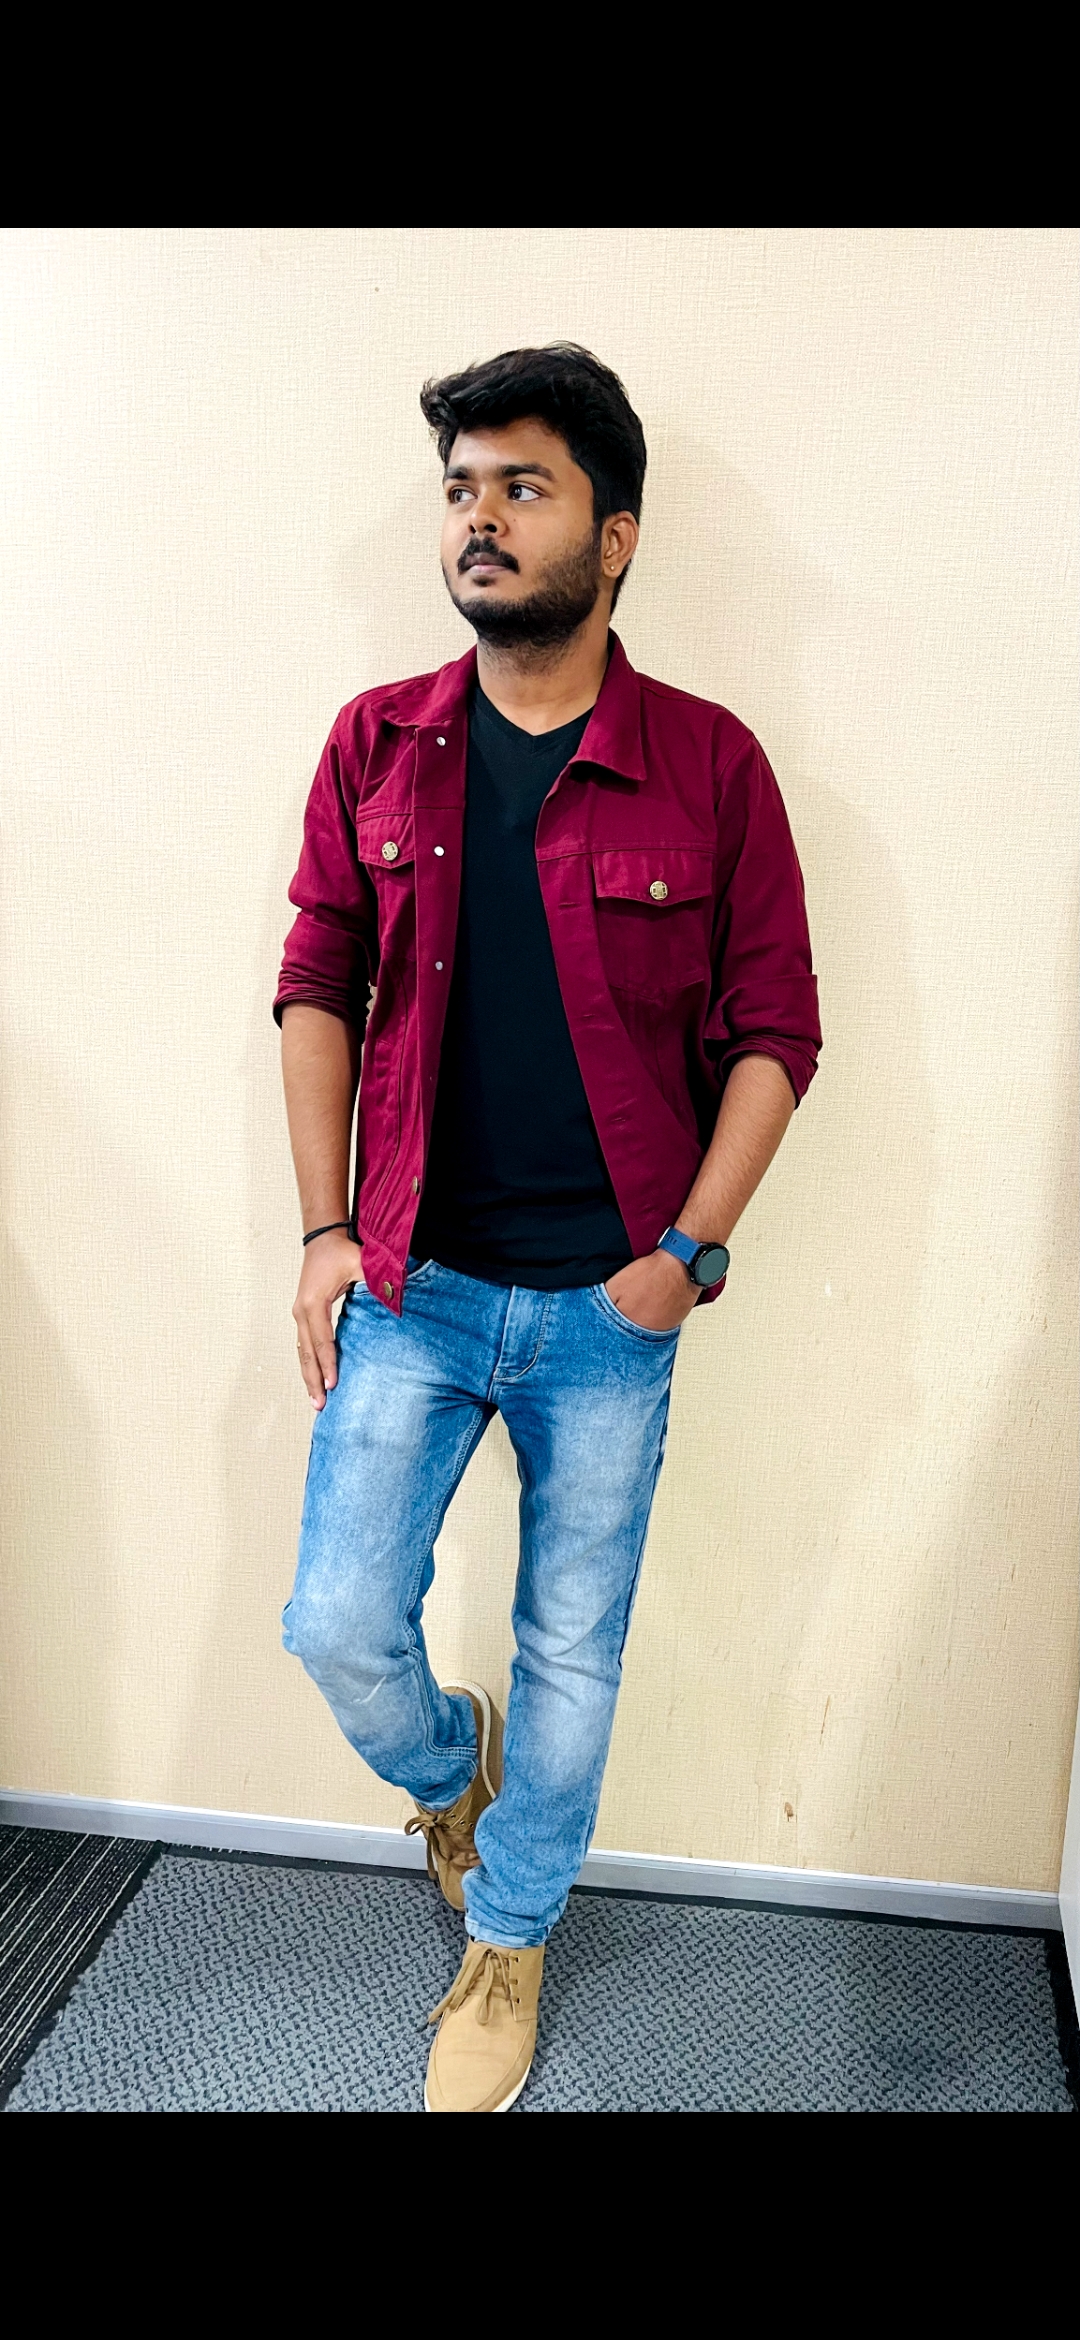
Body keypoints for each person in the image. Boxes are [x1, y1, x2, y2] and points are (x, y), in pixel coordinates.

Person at [274, 344, 821, 2112]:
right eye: (462, 488)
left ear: (616, 533)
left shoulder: (711, 765)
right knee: (338, 1623)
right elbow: (318, 984)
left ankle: (507, 1941)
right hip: (414, 1285)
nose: (481, 519)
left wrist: (690, 1258)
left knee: (571, 1653)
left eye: (525, 486)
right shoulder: (377, 743)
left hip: (608, 1307)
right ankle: (454, 1778)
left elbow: (775, 1030)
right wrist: (323, 1229)